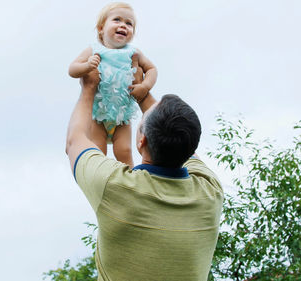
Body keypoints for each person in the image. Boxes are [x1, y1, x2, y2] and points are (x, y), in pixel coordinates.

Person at [65, 56, 223, 281]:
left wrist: (88, 88)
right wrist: (143, 95)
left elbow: (75, 141)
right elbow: (184, 143)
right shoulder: (210, 192)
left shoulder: (114, 186)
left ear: (141, 142)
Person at [68, 2, 157, 168]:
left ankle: (130, 178)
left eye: (129, 23)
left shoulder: (133, 52)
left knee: (124, 151)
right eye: (117, 20)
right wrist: (87, 66)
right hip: (98, 115)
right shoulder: (94, 49)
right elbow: (72, 69)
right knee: (98, 151)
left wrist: (145, 86)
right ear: (101, 28)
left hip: (122, 117)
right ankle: (102, 175)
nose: (123, 25)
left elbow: (152, 69)